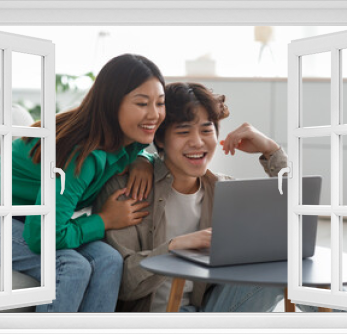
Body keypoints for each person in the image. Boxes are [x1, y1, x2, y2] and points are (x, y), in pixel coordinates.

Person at [0, 54, 165, 312]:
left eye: (160, 103)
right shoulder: (81, 154)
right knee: (72, 266)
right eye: (142, 103)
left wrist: (143, 159)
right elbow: (42, 236)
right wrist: (104, 220)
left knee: (109, 260)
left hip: (28, 217)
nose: (154, 114)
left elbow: (145, 150)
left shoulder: (131, 139)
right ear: (111, 104)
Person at [92, 82, 288, 312]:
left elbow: (295, 225)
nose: (197, 141)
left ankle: (339, 318)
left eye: (206, 130)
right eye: (184, 131)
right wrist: (175, 247)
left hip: (205, 314)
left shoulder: (224, 190)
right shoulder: (127, 190)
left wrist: (272, 151)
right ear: (161, 139)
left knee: (286, 262)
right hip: (146, 321)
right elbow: (122, 284)